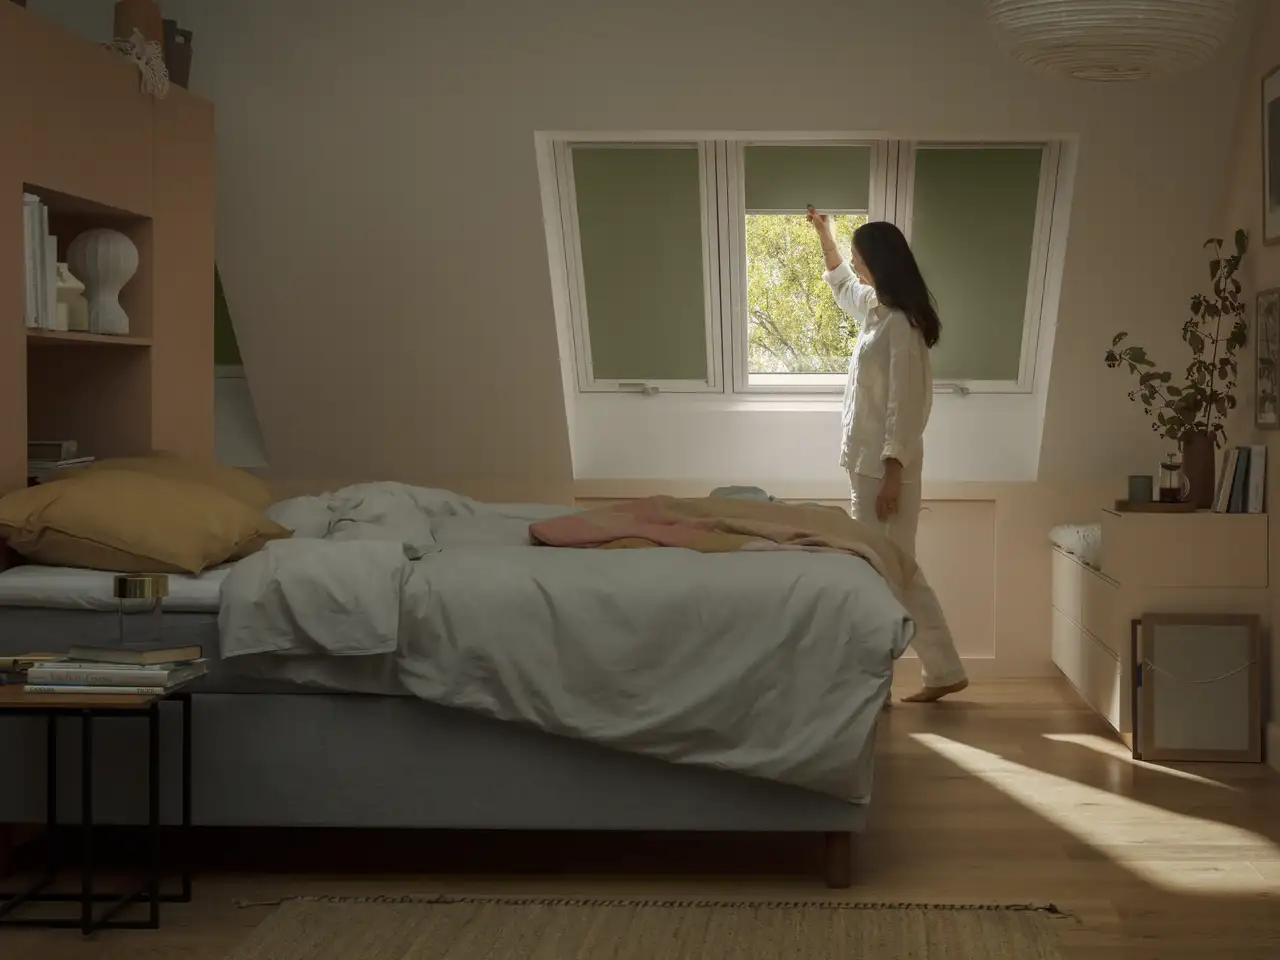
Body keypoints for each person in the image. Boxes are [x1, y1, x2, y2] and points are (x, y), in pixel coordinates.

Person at [807, 207, 968, 703]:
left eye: (859, 258)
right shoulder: (878, 310)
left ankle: (902, 675)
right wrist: (827, 236)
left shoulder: (901, 326)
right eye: (853, 258)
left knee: (890, 573)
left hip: (884, 472)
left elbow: (905, 406)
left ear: (881, 261)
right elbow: (841, 288)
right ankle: (938, 671)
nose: (854, 266)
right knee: (891, 571)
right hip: (867, 468)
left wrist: (894, 474)